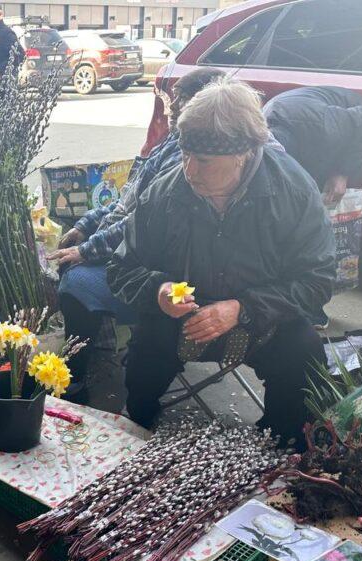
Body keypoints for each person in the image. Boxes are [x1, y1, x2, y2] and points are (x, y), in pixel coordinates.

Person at [108, 78, 335, 447]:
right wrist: (159, 290)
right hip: (178, 321)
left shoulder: (292, 191)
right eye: (185, 156)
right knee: (143, 369)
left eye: (204, 161)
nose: (189, 171)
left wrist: (242, 308)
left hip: (264, 321)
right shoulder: (165, 193)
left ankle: (275, 448)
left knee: (304, 356)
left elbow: (319, 280)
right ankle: (138, 432)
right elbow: (121, 268)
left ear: (243, 154)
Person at [49, 68, 227, 402]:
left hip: (157, 274)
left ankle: (73, 379)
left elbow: (139, 224)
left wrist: (87, 251)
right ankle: (90, 363)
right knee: (70, 266)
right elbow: (127, 198)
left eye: (179, 104)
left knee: (75, 280)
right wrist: (84, 225)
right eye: (172, 102)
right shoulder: (169, 145)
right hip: (138, 261)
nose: (170, 110)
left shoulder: (189, 161)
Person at [263, 86, 362, 208]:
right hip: (300, 120)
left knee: (330, 192)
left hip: (352, 124)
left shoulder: (325, 126)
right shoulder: (260, 134)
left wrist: (342, 173)